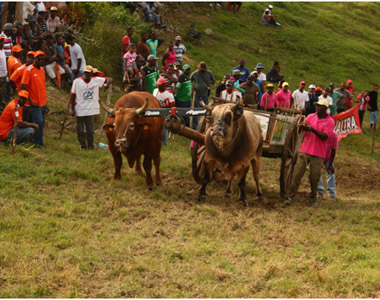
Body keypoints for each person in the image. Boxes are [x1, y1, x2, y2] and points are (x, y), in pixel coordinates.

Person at [284, 99, 335, 207]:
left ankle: (313, 198)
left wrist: (311, 129)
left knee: (314, 177)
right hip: (305, 150)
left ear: (325, 109)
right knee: (297, 174)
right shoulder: (311, 116)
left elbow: (325, 136)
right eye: (316, 106)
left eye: (320, 106)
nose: (317, 107)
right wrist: (301, 126)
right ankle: (289, 197)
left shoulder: (330, 121)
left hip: (319, 154)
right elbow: (302, 128)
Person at [70, 65, 112, 150]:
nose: (86, 74)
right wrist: (73, 109)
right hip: (79, 109)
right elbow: (72, 95)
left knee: (90, 130)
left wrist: (106, 85)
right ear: (83, 73)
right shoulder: (77, 81)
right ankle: (83, 145)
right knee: (80, 130)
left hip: (90, 109)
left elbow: (110, 79)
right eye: (85, 72)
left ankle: (90, 146)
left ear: (91, 73)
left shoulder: (96, 80)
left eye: (88, 73)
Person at [20, 50, 47, 148]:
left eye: (42, 59)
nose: (40, 61)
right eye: (38, 59)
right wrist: (30, 101)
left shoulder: (42, 70)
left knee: (42, 122)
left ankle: (36, 140)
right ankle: (38, 143)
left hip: (42, 102)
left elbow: (42, 86)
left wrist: (45, 102)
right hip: (34, 103)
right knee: (38, 122)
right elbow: (23, 85)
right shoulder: (29, 70)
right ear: (35, 59)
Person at [190, 61, 215, 129]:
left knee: (206, 111)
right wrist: (193, 87)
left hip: (205, 95)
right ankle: (195, 128)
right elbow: (190, 80)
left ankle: (204, 127)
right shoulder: (195, 73)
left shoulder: (209, 73)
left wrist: (210, 85)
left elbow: (213, 81)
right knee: (196, 112)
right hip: (197, 95)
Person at [153, 77, 175, 145]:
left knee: (164, 127)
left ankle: (164, 142)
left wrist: (164, 107)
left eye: (160, 85)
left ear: (164, 85)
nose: (158, 86)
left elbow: (173, 104)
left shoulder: (168, 93)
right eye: (158, 85)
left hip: (165, 112)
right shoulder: (155, 91)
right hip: (155, 111)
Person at [318, 131, 338, 201]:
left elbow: (333, 150)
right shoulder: (318, 132)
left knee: (331, 173)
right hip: (318, 155)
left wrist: (330, 164)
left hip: (328, 157)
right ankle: (320, 192)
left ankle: (332, 194)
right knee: (317, 172)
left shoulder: (334, 135)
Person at [0, 36, 7, 112]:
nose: (2, 43)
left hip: (4, 75)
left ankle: (2, 104)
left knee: (3, 91)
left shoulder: (2, 50)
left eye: (2, 41)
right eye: (0, 41)